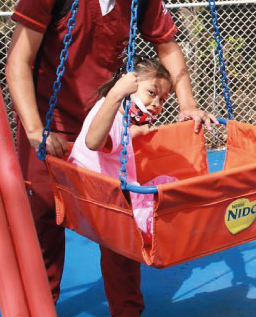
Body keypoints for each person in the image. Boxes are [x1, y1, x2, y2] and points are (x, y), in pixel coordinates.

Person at [6, 0, 214, 317]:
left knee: (124, 216)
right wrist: (36, 129)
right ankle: (41, 309)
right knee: (45, 219)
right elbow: (18, 61)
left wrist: (188, 104)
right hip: (53, 122)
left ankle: (128, 314)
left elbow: (169, 47)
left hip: (103, 120)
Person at [69, 57, 177, 238]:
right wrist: (116, 94)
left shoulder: (116, 115)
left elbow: (116, 139)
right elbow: (93, 142)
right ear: (126, 87)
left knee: (169, 183)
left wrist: (137, 131)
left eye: (162, 99)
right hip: (110, 204)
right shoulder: (109, 112)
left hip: (119, 195)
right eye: (152, 92)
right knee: (161, 221)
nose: (157, 103)